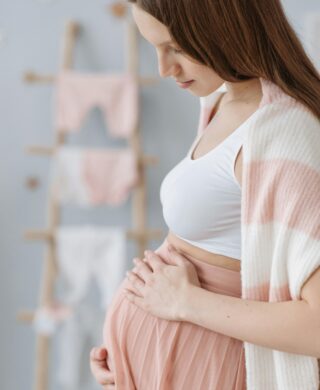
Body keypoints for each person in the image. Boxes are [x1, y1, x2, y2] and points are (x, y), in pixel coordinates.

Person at [90, 0, 320, 389]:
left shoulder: (285, 133)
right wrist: (128, 349)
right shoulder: (224, 101)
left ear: (225, 26)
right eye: (154, 47)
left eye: (176, 48)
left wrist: (185, 304)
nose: (164, 69)